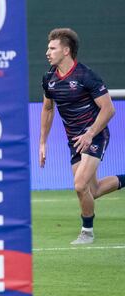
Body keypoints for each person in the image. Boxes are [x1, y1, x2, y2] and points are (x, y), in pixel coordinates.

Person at [39, 28, 123, 245]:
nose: (47, 52)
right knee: (91, 191)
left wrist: (90, 133)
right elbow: (48, 109)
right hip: (74, 140)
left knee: (79, 186)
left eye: (52, 48)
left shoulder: (86, 75)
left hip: (95, 135)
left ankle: (87, 232)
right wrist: (42, 142)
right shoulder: (49, 78)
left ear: (66, 51)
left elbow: (108, 109)